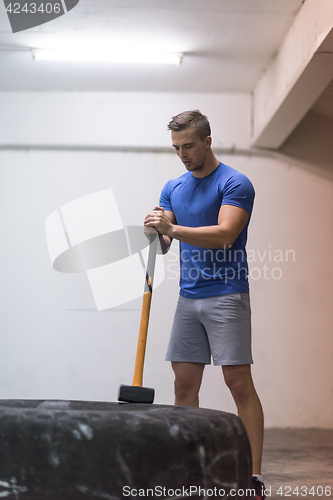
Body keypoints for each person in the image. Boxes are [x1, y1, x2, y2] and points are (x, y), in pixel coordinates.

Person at [144, 110, 265, 500]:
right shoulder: (173, 187)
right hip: (188, 297)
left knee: (238, 384)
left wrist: (172, 230)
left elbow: (226, 234)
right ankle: (187, 471)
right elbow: (164, 244)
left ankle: (252, 478)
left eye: (189, 146)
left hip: (227, 294)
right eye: (177, 148)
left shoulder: (234, 182)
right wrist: (154, 232)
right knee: (183, 385)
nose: (183, 154)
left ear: (208, 141)